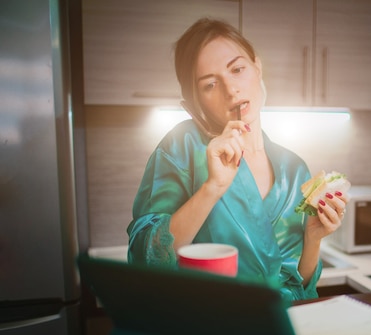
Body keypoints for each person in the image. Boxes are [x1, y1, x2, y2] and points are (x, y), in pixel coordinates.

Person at [127, 18, 348, 301]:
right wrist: (212, 188)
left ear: (258, 67)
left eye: (238, 69)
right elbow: (145, 260)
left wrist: (313, 239)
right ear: (196, 100)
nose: (231, 90)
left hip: (283, 329)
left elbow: (299, 286)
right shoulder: (182, 146)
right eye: (210, 84)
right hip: (214, 332)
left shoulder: (294, 169)